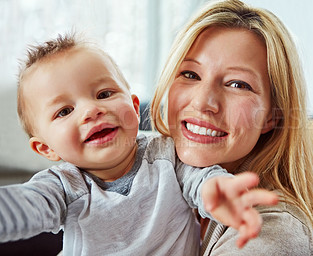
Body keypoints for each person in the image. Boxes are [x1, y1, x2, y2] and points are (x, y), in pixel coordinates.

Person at [0, 33, 278, 256]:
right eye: (64, 111)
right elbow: (25, 206)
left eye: (104, 93)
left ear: (134, 107)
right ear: (46, 148)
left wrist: (217, 191)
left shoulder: (166, 154)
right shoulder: (62, 186)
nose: (90, 111)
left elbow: (201, 181)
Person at [151, 0, 313, 255]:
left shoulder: (273, 230)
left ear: (273, 116)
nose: (203, 102)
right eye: (191, 74)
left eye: (238, 84)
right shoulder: (146, 173)